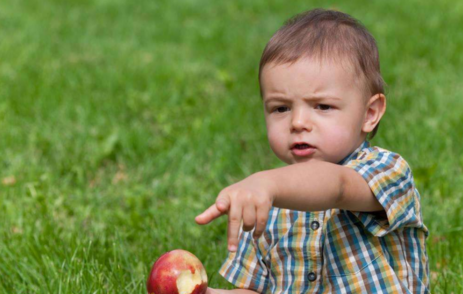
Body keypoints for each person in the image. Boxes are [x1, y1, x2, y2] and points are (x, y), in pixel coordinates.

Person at [195, 8, 429, 293]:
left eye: (322, 106)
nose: (298, 122)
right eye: (281, 108)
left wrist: (266, 184)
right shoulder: (264, 201)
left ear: (369, 113)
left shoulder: (387, 170)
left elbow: (338, 186)